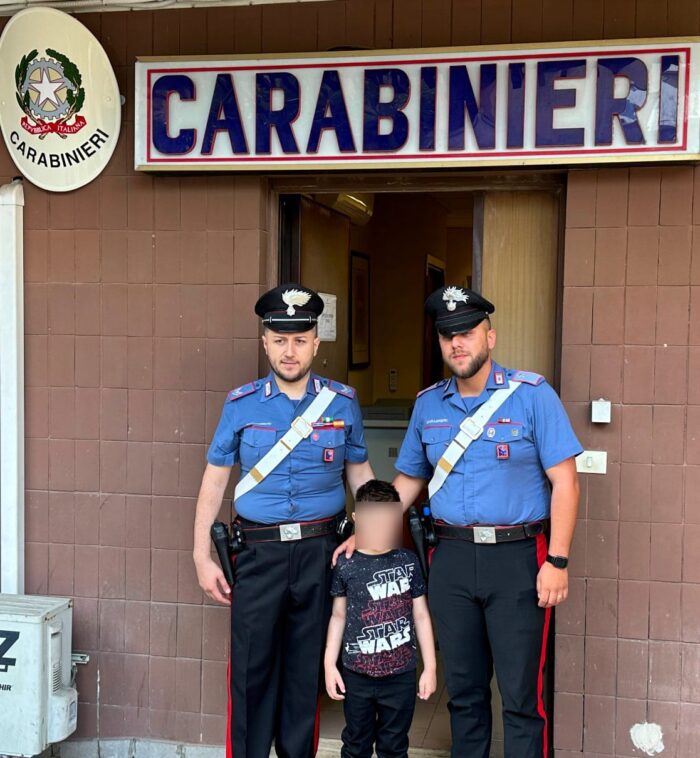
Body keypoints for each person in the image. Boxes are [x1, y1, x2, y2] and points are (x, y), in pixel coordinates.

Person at [335, 285, 582, 758]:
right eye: (447, 336)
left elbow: (566, 483)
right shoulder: (429, 404)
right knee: (464, 694)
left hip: (518, 561)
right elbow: (407, 483)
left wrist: (558, 559)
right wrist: (363, 535)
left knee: (520, 698)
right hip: (448, 560)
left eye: (467, 332)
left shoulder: (531, 396)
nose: (457, 344)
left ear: (490, 337)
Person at [193, 283, 374, 758]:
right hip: (257, 554)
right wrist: (200, 555)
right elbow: (214, 481)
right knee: (251, 674)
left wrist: (372, 537)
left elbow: (361, 475)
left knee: (303, 673)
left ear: (316, 342)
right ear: (265, 342)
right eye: (279, 339)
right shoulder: (241, 404)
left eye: (299, 339)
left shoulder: (341, 401)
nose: (288, 350)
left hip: (321, 553)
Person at [325, 479, 437, 758]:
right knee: (355, 744)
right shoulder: (345, 564)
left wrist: (431, 668)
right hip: (357, 675)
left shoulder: (408, 562)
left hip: (401, 676)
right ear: (357, 518)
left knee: (394, 746)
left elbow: (421, 616)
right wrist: (329, 664)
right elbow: (338, 617)